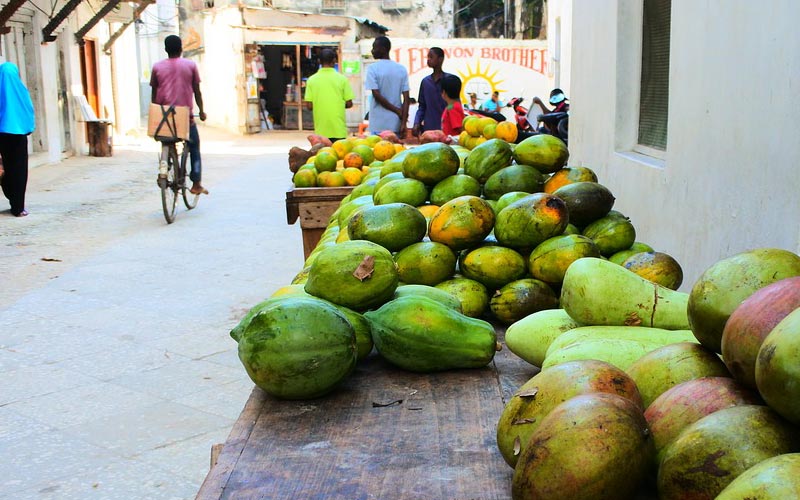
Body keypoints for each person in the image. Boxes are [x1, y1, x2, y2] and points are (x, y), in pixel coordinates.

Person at [150, 35, 208, 195]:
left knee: (165, 142)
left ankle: (165, 168)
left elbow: (154, 95)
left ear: (165, 50)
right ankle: (196, 183)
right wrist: (201, 111)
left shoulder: (157, 67)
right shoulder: (190, 65)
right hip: (184, 117)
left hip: (163, 117)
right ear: (181, 48)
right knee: (194, 146)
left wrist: (155, 115)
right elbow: (197, 92)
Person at [0, 61, 35, 217]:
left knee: (5, 169)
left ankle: (12, 197)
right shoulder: (20, 90)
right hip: (17, 135)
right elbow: (28, 110)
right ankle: (18, 206)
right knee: (18, 170)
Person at [304, 48, 354, 142]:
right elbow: (349, 103)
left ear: (319, 61)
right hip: (339, 130)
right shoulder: (342, 79)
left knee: (322, 156)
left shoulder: (311, 80)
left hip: (321, 131)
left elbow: (309, 106)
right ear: (334, 61)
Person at [365, 36, 410, 136]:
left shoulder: (372, 68)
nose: (372, 51)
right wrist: (403, 122)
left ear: (383, 49)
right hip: (395, 124)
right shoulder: (401, 69)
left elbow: (376, 95)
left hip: (378, 125)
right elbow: (406, 98)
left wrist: (398, 111)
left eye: (374, 48)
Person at [412, 47, 450, 136]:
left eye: (431, 57)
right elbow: (422, 106)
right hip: (429, 129)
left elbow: (454, 104)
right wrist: (417, 122)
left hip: (446, 128)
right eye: (428, 57)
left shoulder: (449, 80)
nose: (428, 60)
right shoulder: (425, 82)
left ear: (440, 59)